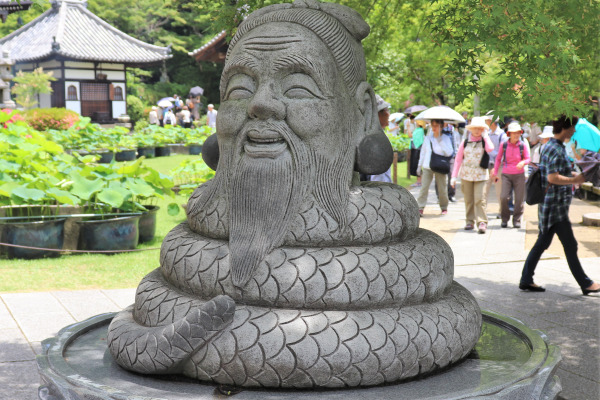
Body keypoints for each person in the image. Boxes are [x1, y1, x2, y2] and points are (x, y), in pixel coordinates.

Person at [519, 116, 600, 295]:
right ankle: (586, 283)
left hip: (553, 206)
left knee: (542, 243)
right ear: (566, 128)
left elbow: (554, 172)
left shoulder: (554, 147)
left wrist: (573, 174)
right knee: (570, 245)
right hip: (555, 207)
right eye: (573, 128)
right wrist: (575, 179)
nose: (574, 132)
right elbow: (552, 177)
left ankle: (526, 279)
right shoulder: (554, 148)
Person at [451, 116, 495, 233]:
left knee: (480, 199)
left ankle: (482, 222)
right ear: (471, 129)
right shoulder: (465, 142)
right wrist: (454, 176)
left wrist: (485, 136)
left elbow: (491, 149)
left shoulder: (484, 141)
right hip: (466, 175)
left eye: (480, 128)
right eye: (475, 128)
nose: (477, 131)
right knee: (469, 200)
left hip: (481, 175)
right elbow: (458, 160)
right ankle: (469, 221)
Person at [492, 122, 530, 228]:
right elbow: (498, 159)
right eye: (514, 133)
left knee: (519, 199)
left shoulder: (522, 145)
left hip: (519, 175)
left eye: (518, 133)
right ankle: (505, 219)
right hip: (506, 174)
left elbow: (528, 158)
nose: (516, 135)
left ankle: (517, 219)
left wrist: (523, 162)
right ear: (509, 134)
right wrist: (495, 173)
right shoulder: (503, 145)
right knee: (504, 197)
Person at [416, 119, 454, 216]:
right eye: (432, 125)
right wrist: (419, 166)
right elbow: (423, 152)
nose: (434, 128)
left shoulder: (445, 138)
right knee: (424, 187)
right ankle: (420, 207)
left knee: (442, 188)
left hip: (440, 166)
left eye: (436, 125)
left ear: (441, 126)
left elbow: (449, 152)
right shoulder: (428, 138)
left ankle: (444, 207)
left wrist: (440, 141)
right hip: (428, 166)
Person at [482, 116, 506, 216]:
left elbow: (503, 153)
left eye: (487, 120)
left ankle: (502, 212)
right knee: (483, 190)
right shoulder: (486, 134)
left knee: (499, 191)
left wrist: (495, 168)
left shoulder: (502, 135)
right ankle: (482, 212)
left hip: (498, 166)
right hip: (487, 165)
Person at [370, 95, 393, 182]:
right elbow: (378, 177)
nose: (388, 113)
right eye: (386, 110)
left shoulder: (378, 135)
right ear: (377, 114)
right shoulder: (376, 140)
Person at [409, 120, 426, 187]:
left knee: (416, 165)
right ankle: (419, 181)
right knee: (415, 165)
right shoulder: (418, 130)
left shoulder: (420, 130)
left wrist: (408, 127)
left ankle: (419, 181)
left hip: (417, 149)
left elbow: (410, 135)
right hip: (415, 149)